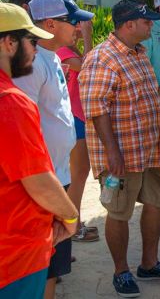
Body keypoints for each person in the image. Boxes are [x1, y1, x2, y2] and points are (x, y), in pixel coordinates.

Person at [79, 0, 160, 298]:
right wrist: (112, 153)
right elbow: (96, 108)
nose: (151, 26)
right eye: (146, 22)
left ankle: (149, 263)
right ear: (129, 24)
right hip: (122, 155)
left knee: (156, 202)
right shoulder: (102, 58)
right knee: (118, 212)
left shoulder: (139, 53)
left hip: (149, 149)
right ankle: (121, 271)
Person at [13, 0, 95, 298]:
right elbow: (22, 127)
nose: (77, 28)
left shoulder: (49, 57)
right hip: (41, 181)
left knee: (52, 265)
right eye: (72, 21)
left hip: (57, 176)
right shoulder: (31, 65)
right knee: (39, 266)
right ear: (49, 23)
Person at [0, 3, 79, 298]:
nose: (35, 49)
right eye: (31, 41)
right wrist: (70, 217)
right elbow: (38, 181)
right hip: (15, 252)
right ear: (9, 43)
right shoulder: (11, 101)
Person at [57, 16, 100, 242]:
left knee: (78, 175)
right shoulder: (63, 49)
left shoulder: (69, 48)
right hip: (76, 117)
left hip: (79, 116)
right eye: (78, 24)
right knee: (78, 175)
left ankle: (74, 223)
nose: (80, 28)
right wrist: (88, 37)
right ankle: (73, 227)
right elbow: (88, 69)